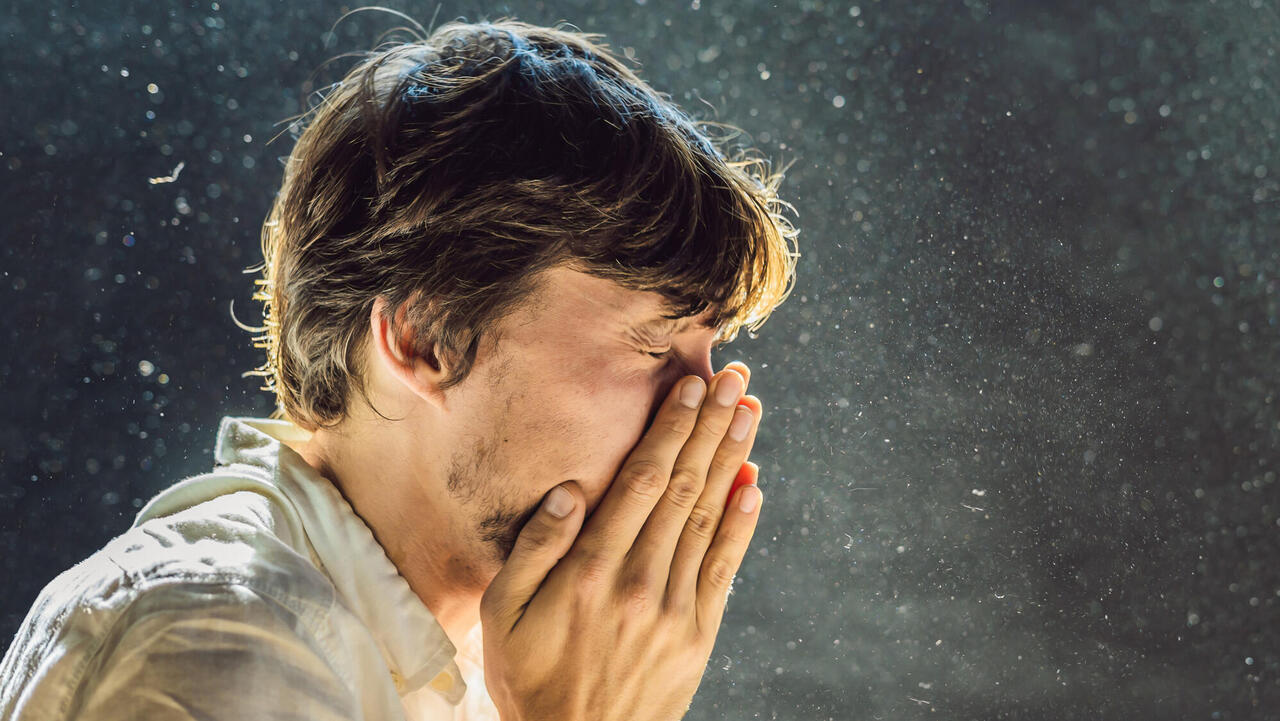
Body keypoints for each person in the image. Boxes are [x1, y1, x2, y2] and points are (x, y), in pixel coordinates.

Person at [0, 16, 798, 721]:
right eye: (654, 346)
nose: (704, 412)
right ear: (429, 338)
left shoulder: (496, 677)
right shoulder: (216, 645)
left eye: (711, 350)